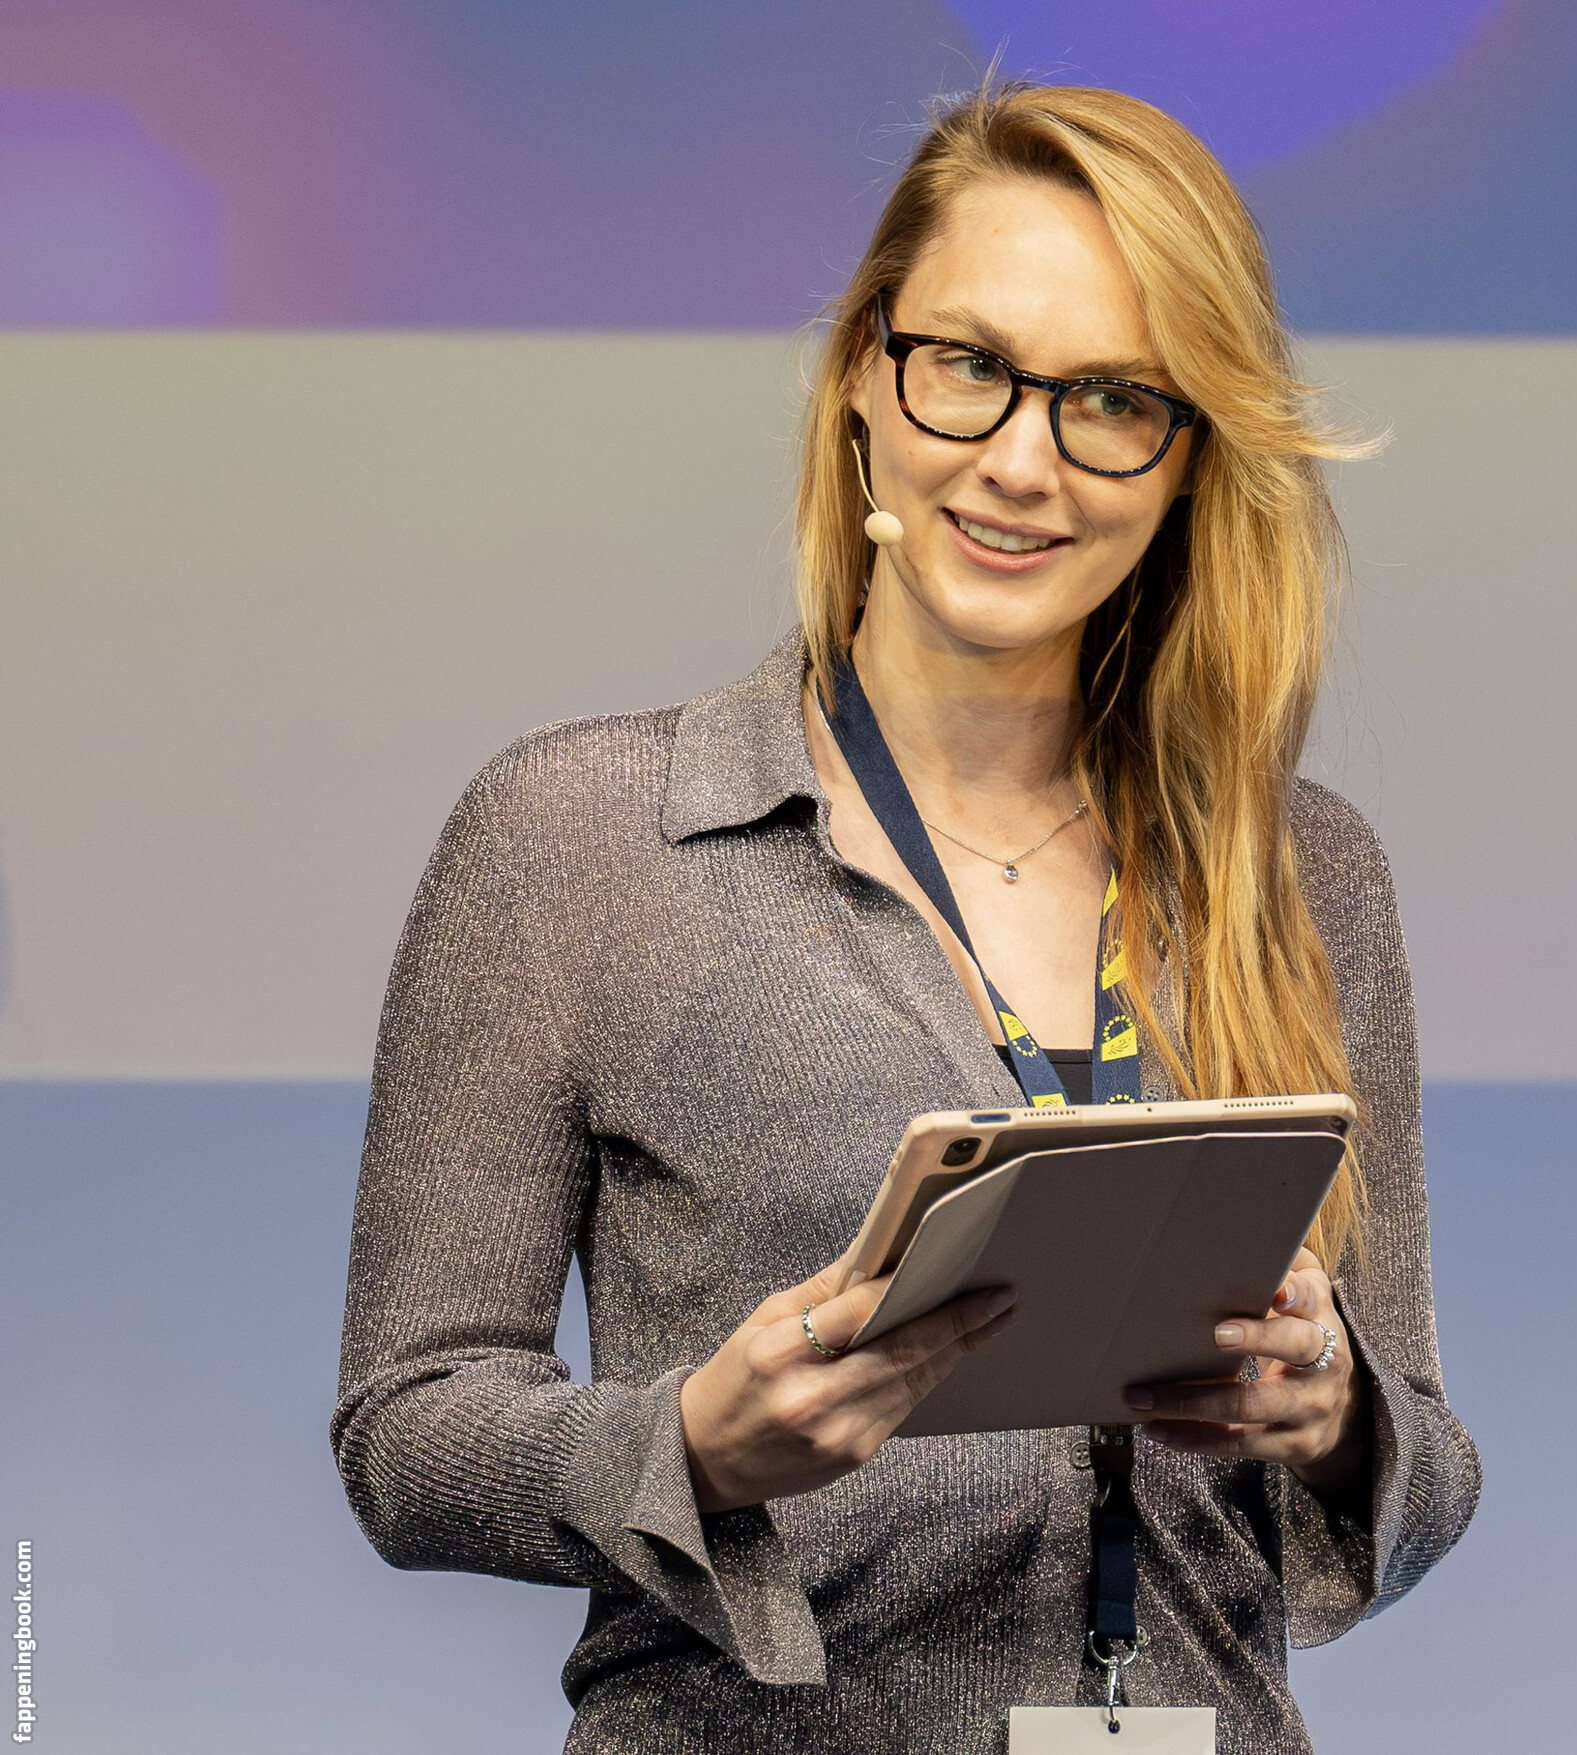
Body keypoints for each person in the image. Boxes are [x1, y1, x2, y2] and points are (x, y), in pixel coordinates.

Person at [331, 78, 1479, 1754]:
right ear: (864, 374)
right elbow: (405, 1434)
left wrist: (1337, 1416)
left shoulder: (1304, 871)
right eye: (969, 367)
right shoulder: (577, 836)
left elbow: (1427, 1469)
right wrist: (685, 1447)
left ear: (1186, 461)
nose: (1021, 461)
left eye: (1113, 401)